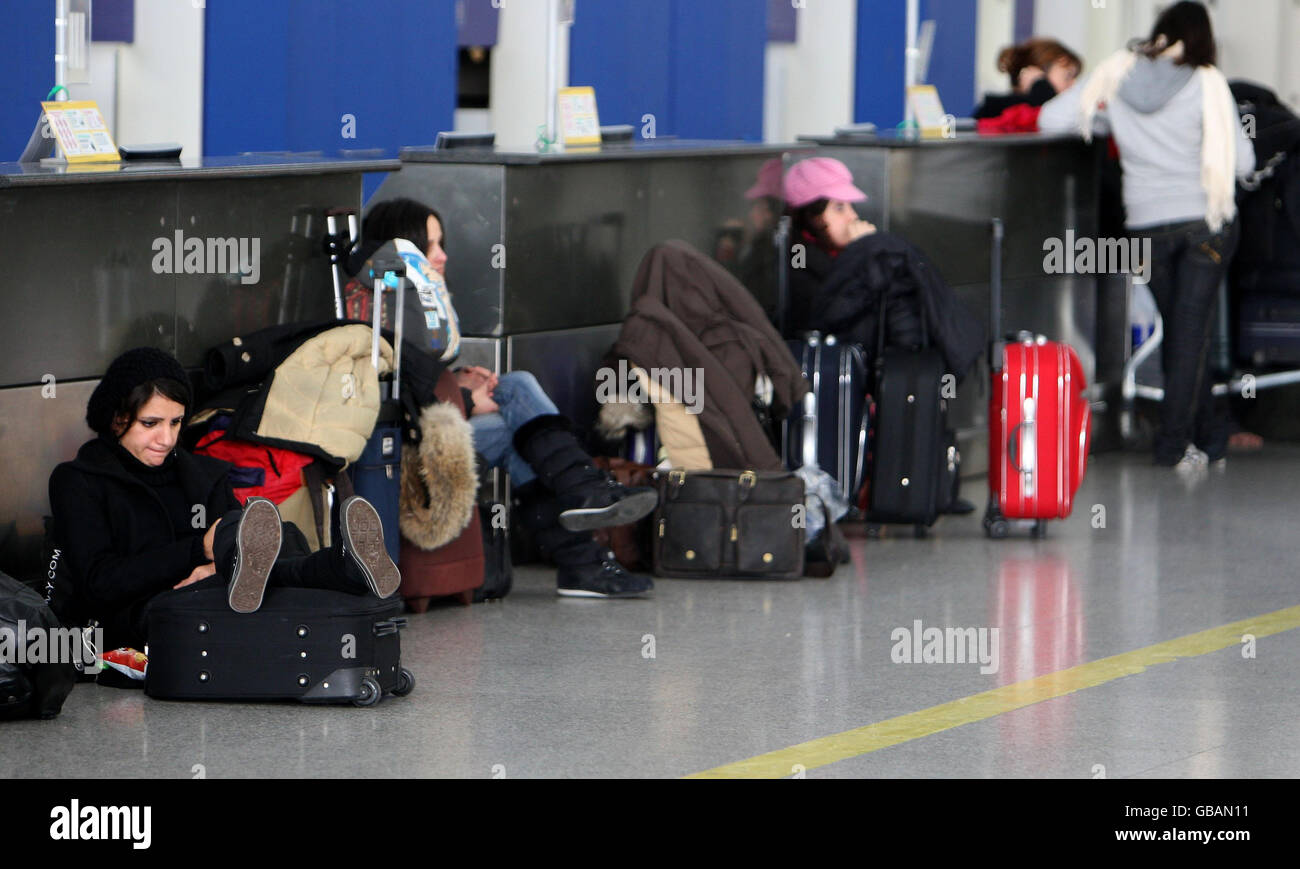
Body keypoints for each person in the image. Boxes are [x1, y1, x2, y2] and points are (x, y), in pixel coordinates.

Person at [347, 197, 658, 598]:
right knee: (517, 423)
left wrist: (460, 384)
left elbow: (417, 377)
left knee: (516, 388)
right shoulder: (386, 302)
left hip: (434, 429)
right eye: (430, 246)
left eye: (442, 244)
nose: (441, 256)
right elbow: (394, 397)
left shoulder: (416, 294)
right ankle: (584, 529)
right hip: (408, 455)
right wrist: (468, 401)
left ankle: (585, 511)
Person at [47, 347, 401, 655]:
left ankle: (343, 569)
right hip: (135, 619)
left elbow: (249, 554)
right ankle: (336, 570)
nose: (166, 438)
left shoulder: (202, 473)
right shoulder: (79, 481)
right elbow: (100, 583)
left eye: (175, 422)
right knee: (243, 548)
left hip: (216, 596)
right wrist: (199, 551)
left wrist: (217, 566)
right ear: (118, 418)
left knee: (262, 539)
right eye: (151, 423)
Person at [1038, 1, 1255, 469]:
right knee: (1190, 331)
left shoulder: (1117, 77)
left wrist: (1103, 115)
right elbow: (1243, 163)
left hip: (1145, 230)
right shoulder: (1208, 83)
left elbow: (1050, 119)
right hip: (1205, 224)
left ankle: (1204, 435)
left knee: (1181, 328)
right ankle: (1174, 444)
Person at [781, 157, 878, 338]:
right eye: (839, 207)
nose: (853, 216)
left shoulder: (832, 251)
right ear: (812, 216)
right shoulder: (798, 253)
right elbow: (813, 305)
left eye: (850, 206)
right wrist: (859, 256)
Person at [973, 38, 1082, 120]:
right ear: (1034, 74)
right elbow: (1044, 111)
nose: (1073, 84)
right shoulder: (996, 111)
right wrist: (1040, 85)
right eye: (1067, 76)